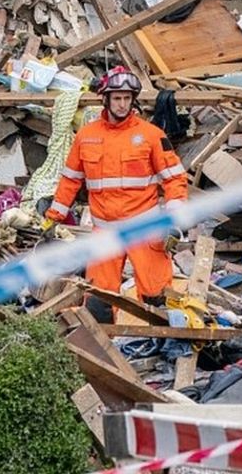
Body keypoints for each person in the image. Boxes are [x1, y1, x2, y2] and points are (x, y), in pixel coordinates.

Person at [42, 66, 188, 308]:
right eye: (117, 98)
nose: (122, 104)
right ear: (105, 99)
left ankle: (163, 343)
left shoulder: (151, 135)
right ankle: (103, 345)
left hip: (145, 230)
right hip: (105, 234)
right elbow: (70, 179)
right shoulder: (86, 136)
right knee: (99, 300)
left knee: (158, 297)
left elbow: (175, 179)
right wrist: (53, 216)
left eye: (127, 99)